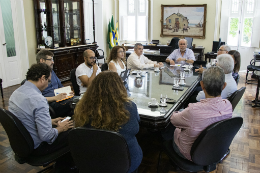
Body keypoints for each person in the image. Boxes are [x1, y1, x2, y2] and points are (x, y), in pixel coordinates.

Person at [74, 71, 143, 173]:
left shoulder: (83, 108)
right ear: (120, 87)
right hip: (125, 163)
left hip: (91, 161)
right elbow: (136, 126)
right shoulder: (130, 107)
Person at [9, 63, 74, 156]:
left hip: (22, 144)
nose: (48, 85)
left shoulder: (15, 93)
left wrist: (49, 121)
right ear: (43, 78)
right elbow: (47, 137)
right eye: (49, 81)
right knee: (74, 132)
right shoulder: (39, 100)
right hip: (39, 147)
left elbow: (26, 118)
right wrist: (60, 128)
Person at [170, 66, 233, 161]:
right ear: (224, 86)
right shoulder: (228, 105)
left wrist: (180, 112)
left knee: (173, 127)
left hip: (190, 154)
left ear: (202, 85)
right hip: (214, 150)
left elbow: (173, 120)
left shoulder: (193, 111)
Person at [36, 49, 73, 118]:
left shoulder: (51, 72)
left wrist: (68, 93)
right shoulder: (35, 76)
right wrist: (54, 98)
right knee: (77, 104)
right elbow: (36, 99)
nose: (53, 62)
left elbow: (60, 86)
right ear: (42, 60)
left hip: (61, 99)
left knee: (81, 99)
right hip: (51, 103)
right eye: (50, 60)